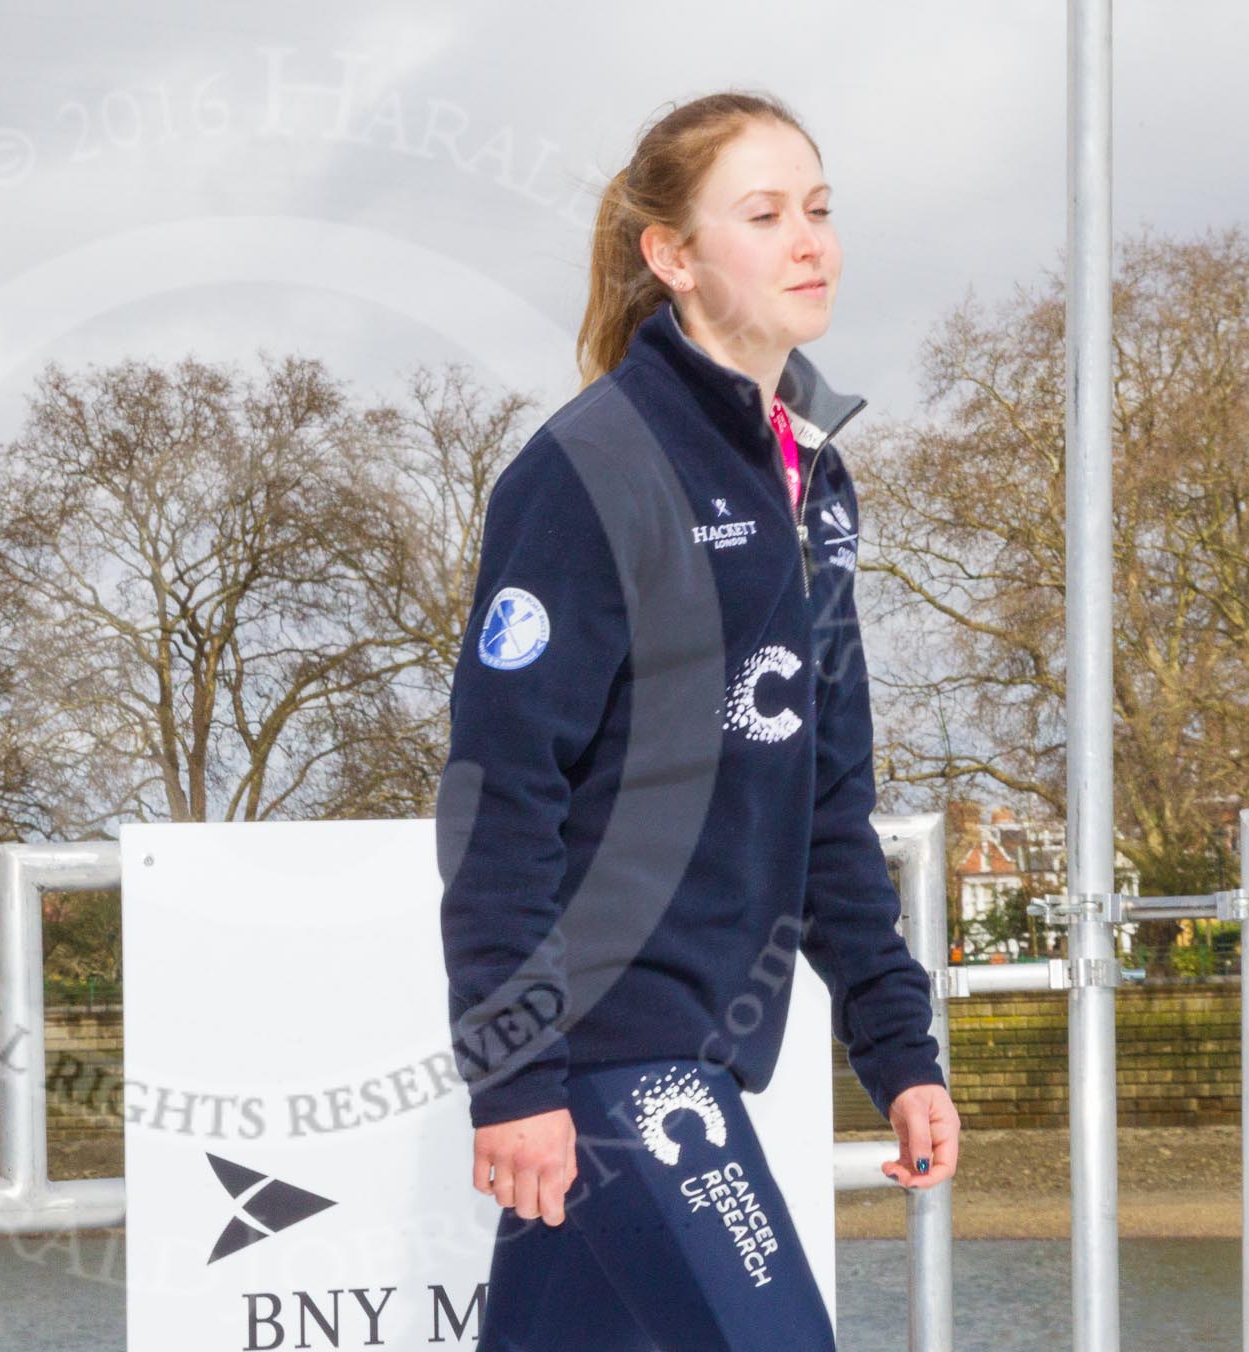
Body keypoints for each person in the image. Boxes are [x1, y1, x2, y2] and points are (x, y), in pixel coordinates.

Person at [436, 92, 961, 1350]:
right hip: (614, 1056)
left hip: (707, 1048)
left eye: (821, 210)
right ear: (670, 255)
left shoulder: (812, 480)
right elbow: (502, 791)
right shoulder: (590, 469)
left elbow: (824, 795)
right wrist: (514, 1075)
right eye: (766, 214)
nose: (810, 241)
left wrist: (897, 1042)